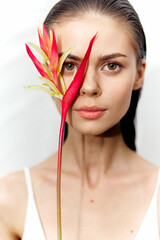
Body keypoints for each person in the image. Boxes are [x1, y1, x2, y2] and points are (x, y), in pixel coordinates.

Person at [0, 0, 159, 239]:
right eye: (69, 65)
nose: (89, 87)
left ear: (139, 74)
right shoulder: (12, 197)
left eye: (111, 65)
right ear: (46, 72)